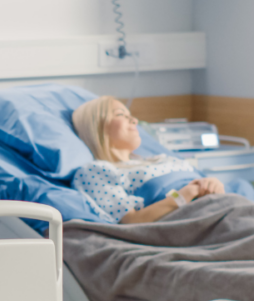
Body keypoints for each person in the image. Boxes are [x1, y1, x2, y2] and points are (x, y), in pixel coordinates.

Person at [70, 95, 229, 223]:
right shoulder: (97, 171)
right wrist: (184, 195)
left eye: (130, 115)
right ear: (97, 127)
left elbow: (201, 183)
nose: (134, 121)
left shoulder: (162, 159)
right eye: (121, 115)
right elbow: (130, 222)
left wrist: (213, 183)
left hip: (223, 205)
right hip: (193, 218)